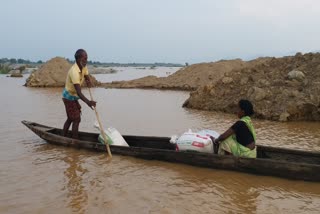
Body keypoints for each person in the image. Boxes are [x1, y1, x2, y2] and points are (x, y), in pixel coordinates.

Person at [62, 49, 96, 139]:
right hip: (68, 97)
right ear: (78, 59)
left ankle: (64, 136)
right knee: (76, 119)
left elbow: (86, 76)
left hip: (74, 96)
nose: (86, 61)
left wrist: (88, 80)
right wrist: (88, 102)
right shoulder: (74, 72)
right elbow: (79, 92)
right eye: (84, 59)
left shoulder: (84, 67)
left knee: (70, 118)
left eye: (87, 58)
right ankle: (74, 141)